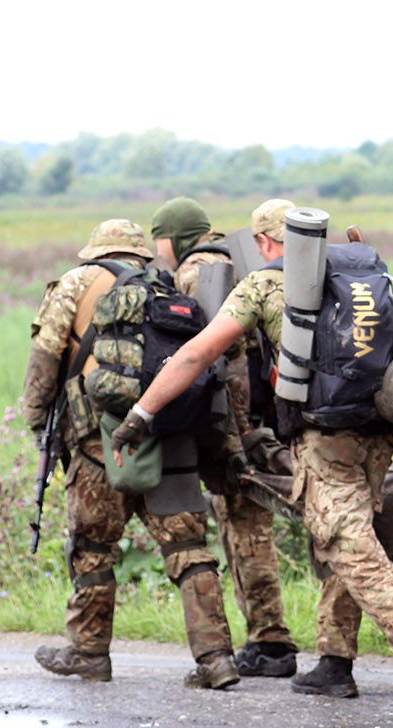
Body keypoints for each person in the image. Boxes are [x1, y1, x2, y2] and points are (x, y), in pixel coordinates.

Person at [110, 199, 393, 707]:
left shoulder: (263, 284)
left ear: (263, 243)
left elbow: (197, 353)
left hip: (325, 439)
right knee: (346, 537)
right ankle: (335, 662)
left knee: (349, 546)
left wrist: (139, 415)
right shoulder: (358, 275)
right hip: (377, 434)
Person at [22, 219, 239, 688]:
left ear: (95, 251)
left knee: (93, 548)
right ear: (140, 253)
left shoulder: (76, 283)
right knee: (188, 547)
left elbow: (45, 357)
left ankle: (89, 652)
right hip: (170, 434)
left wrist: (38, 419)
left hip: (101, 444)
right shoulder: (164, 282)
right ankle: (217, 657)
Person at [150, 196, 298, 677]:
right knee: (249, 526)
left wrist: (232, 439)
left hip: (237, 422)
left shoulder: (196, 272)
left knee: (245, 528)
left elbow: (223, 362)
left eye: (160, 240)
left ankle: (271, 642)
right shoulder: (239, 259)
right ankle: (269, 639)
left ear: (174, 237)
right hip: (270, 411)